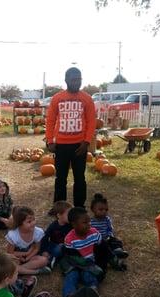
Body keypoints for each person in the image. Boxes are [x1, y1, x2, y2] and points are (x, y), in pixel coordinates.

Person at [45, 67, 96, 209]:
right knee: (60, 178)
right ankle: (59, 207)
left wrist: (86, 142)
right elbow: (50, 120)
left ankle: (79, 206)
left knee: (80, 178)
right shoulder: (57, 98)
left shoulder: (87, 98)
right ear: (66, 80)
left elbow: (91, 121)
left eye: (79, 79)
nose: (77, 82)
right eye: (74, 79)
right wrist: (49, 140)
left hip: (79, 145)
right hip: (61, 145)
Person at [61, 207, 103, 297]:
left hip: (89, 265)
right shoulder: (69, 239)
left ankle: (92, 292)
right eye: (85, 222)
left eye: (89, 221)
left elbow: (103, 249)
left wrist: (112, 261)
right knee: (71, 277)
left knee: (90, 276)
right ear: (74, 224)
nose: (89, 224)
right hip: (75, 265)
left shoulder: (94, 233)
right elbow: (71, 258)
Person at [6, 207, 50, 275]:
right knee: (10, 262)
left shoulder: (38, 232)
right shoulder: (13, 235)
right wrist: (26, 253)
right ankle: (36, 272)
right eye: (29, 221)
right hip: (17, 258)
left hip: (30, 257)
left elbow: (36, 248)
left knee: (44, 260)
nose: (33, 223)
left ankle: (18, 270)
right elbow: (10, 253)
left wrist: (27, 258)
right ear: (19, 224)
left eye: (34, 219)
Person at [90, 193, 128, 271]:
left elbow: (110, 229)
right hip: (97, 241)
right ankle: (112, 254)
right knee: (99, 248)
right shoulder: (90, 221)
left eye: (106, 210)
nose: (104, 212)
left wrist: (110, 235)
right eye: (101, 210)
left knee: (116, 241)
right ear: (93, 209)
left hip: (107, 238)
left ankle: (118, 250)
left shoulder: (107, 219)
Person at [41, 201, 73, 265]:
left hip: (65, 247)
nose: (71, 216)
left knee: (61, 247)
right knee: (51, 248)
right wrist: (44, 251)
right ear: (59, 215)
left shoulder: (71, 225)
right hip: (53, 245)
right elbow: (45, 238)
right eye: (68, 214)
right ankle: (51, 259)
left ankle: (52, 260)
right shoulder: (53, 226)